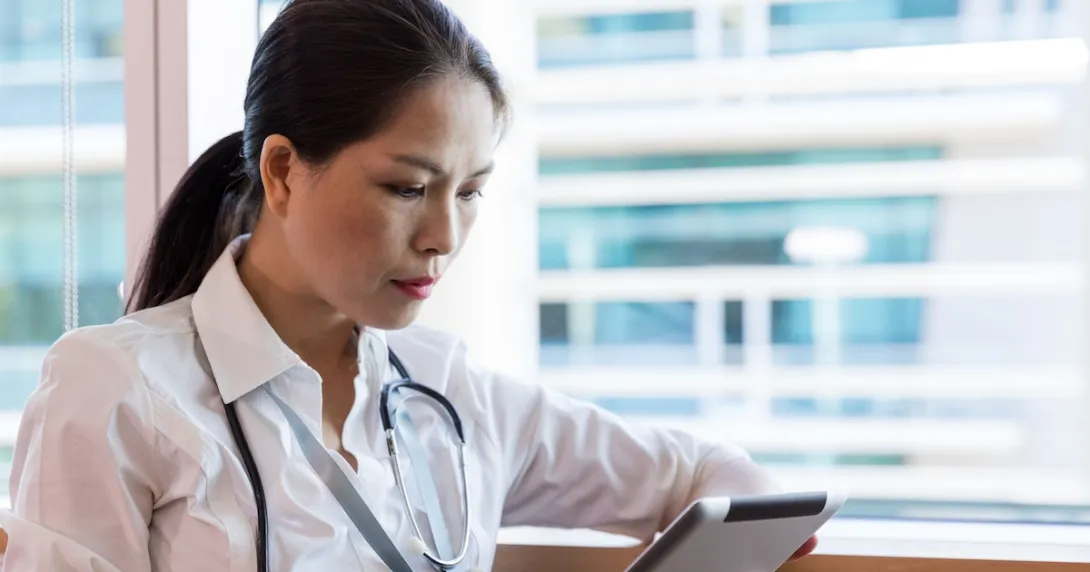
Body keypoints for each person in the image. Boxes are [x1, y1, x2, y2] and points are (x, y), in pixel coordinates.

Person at [0, 0, 817, 570]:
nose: (444, 238)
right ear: (283, 172)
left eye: (469, 192)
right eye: (406, 188)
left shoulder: (453, 392)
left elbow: (709, 476)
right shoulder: (116, 386)